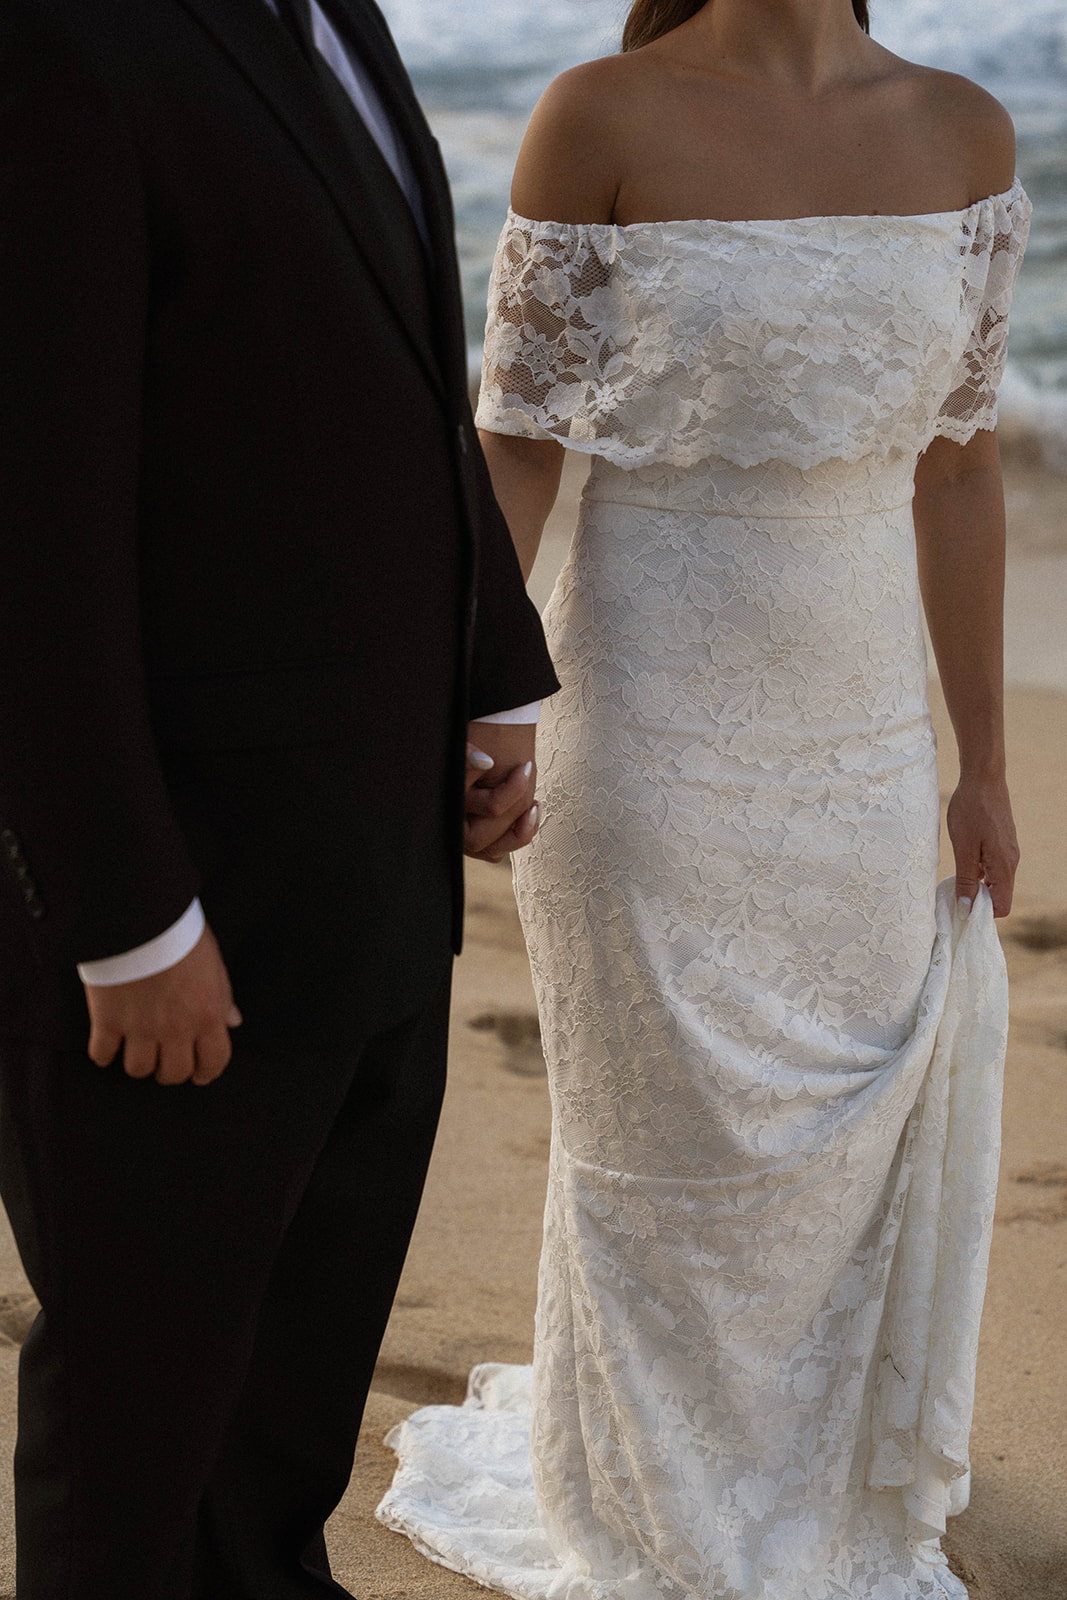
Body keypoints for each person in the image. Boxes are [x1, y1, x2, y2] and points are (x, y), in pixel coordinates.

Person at [378, 2, 1029, 1597]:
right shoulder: (599, 114)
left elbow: (957, 466)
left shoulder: (963, 130)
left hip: (865, 731)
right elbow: (520, 438)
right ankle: (660, 1514)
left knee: (837, 1139)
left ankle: (804, 1485)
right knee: (666, 1139)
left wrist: (987, 761)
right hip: (645, 708)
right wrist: (483, 684)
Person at [0, 0, 559, 1596]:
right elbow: (31, 528)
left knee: (286, 1413)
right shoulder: (62, 44)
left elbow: (398, 378)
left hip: (373, 860)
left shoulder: (341, 23)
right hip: (182, 909)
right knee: (139, 1426)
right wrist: (122, 919)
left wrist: (491, 667)